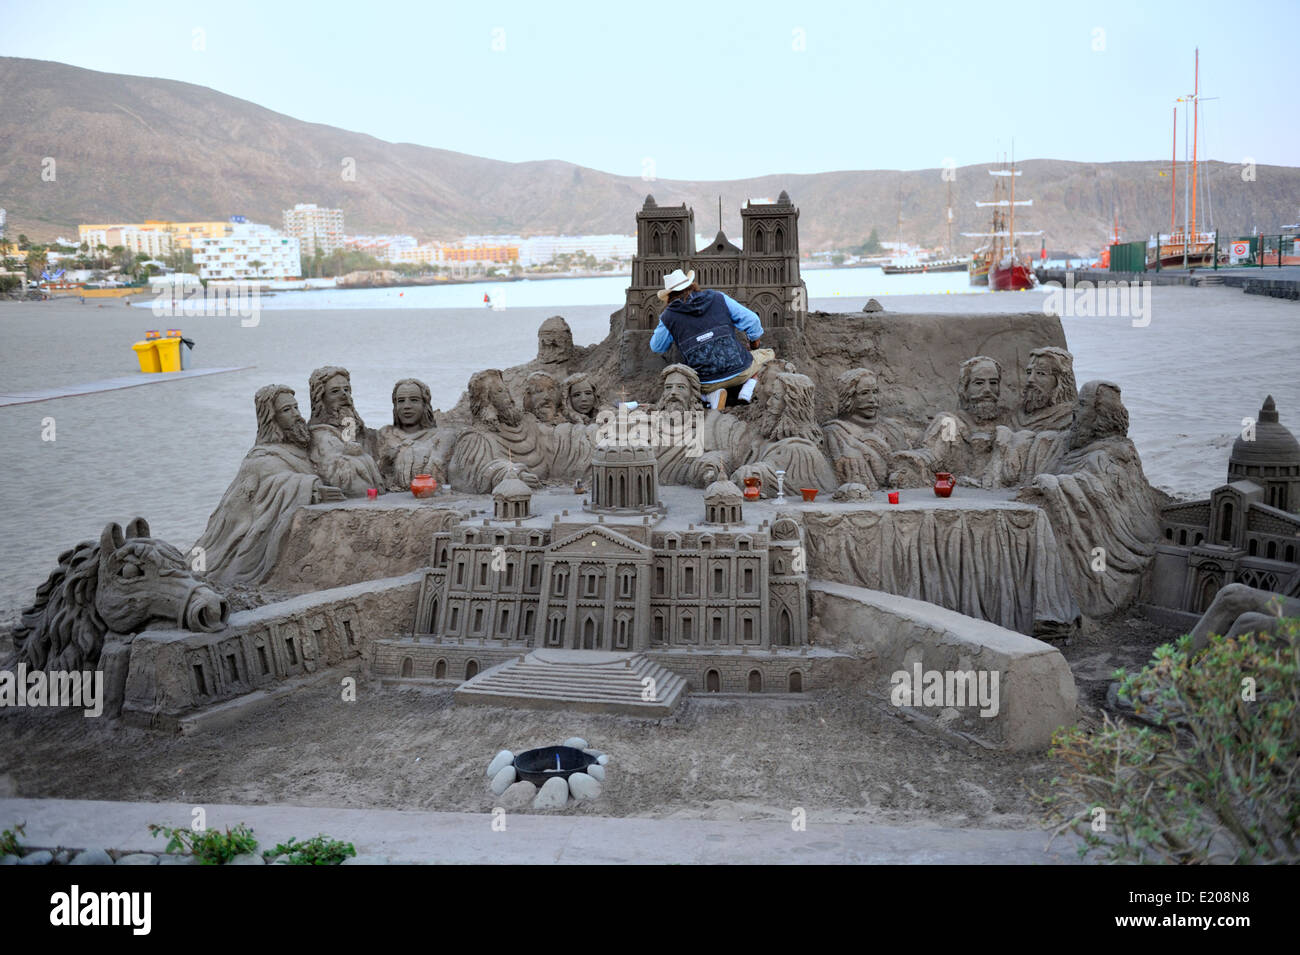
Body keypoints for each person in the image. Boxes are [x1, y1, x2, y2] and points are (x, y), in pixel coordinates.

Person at [648, 269, 774, 406]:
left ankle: (710, 396)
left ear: (669, 296)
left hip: (704, 382)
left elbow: (657, 346)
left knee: (688, 380)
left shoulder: (668, 316)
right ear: (691, 285)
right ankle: (748, 389)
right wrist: (754, 345)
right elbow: (753, 320)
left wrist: (671, 324)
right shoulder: (718, 298)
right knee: (768, 354)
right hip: (740, 371)